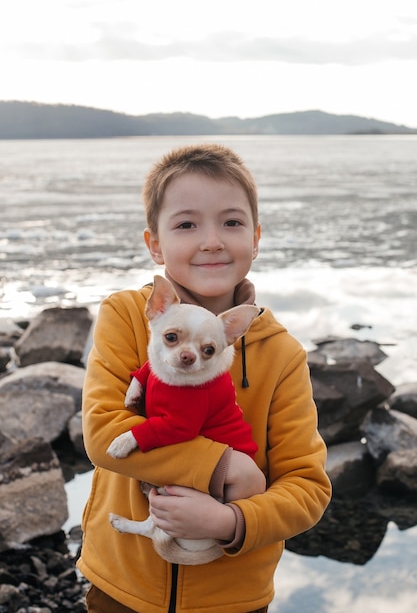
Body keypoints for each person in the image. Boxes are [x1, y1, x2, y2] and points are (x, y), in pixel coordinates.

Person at [77, 143, 332, 613]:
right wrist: (224, 468)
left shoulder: (281, 354)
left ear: (255, 238)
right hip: (121, 584)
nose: (212, 240)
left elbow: (307, 487)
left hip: (232, 599)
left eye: (231, 223)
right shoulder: (129, 317)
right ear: (154, 243)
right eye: (187, 224)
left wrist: (229, 519)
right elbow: (103, 434)